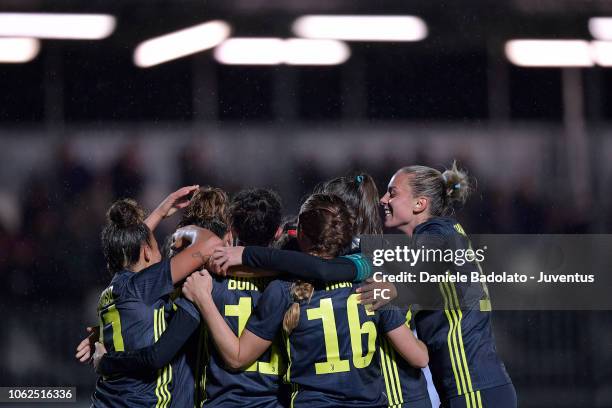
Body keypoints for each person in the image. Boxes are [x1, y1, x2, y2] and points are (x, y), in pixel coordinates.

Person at [184, 193, 429, 407]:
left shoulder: (283, 290)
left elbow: (237, 358)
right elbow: (420, 358)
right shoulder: (373, 284)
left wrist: (203, 297)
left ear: (300, 232)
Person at [379, 161, 516, 408]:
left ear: (420, 204)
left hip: (471, 389)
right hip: (476, 387)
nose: (383, 199)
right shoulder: (446, 231)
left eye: (393, 192)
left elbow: (414, 281)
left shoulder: (435, 234)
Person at [89, 191, 223, 408]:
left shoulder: (112, 289)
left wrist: (160, 213)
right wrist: (184, 231)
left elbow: (131, 245)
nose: (164, 252)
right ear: (146, 252)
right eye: (156, 246)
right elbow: (210, 244)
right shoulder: (146, 283)